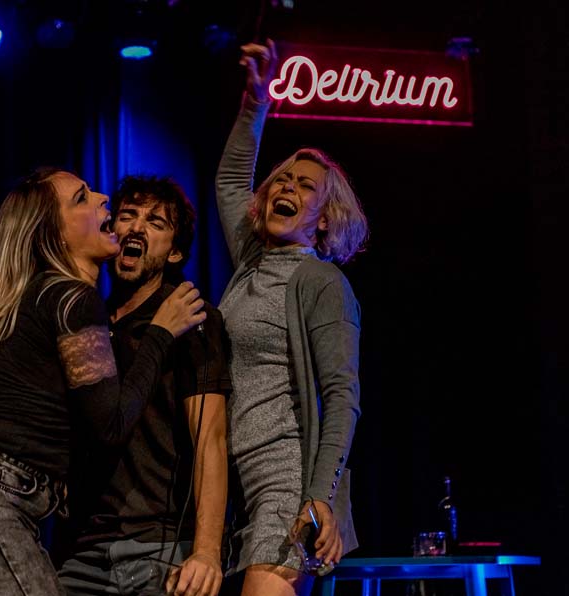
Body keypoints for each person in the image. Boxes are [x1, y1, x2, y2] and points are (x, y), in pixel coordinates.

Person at [0, 167, 207, 596]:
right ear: (56, 232)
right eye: (83, 198)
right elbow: (111, 425)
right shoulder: (72, 298)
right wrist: (160, 334)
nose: (105, 198)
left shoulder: (41, 295)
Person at [214, 40, 369, 596]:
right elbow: (232, 182)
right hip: (238, 481)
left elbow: (341, 395)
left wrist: (319, 496)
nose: (287, 187)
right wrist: (256, 104)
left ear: (323, 221)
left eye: (306, 187)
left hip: (287, 479)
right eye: (282, 178)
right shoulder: (252, 264)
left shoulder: (323, 283)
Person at [57, 175, 231, 596]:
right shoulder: (85, 318)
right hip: (80, 548)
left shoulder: (189, 316)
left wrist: (206, 551)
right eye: (128, 216)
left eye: (156, 222)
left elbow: (211, 438)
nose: (136, 227)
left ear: (174, 252)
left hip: (158, 546)